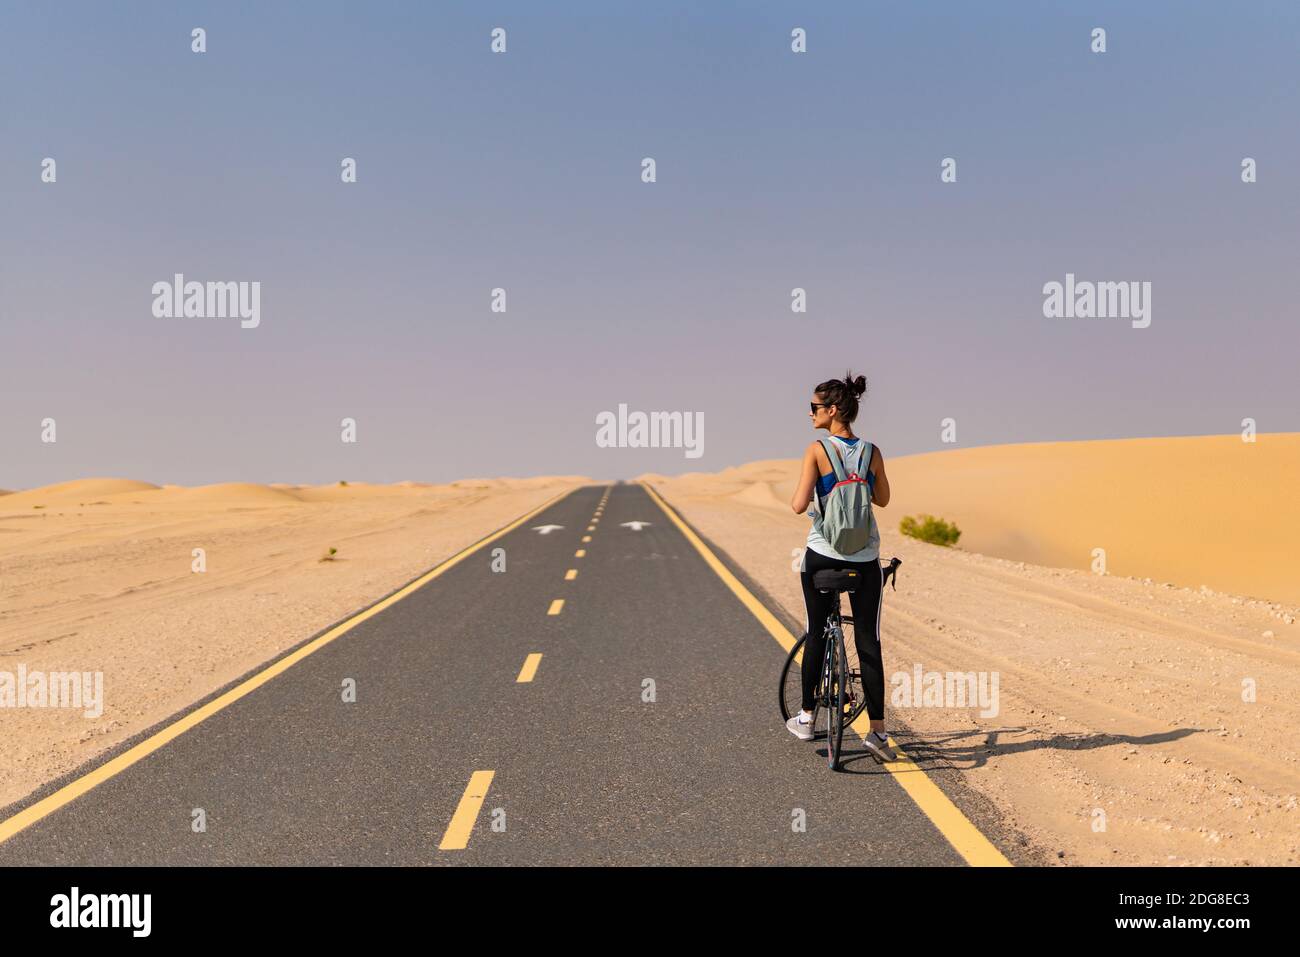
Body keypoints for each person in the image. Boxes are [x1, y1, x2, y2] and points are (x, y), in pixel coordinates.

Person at [785, 372, 896, 762]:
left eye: (814, 408)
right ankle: (878, 734)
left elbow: (799, 505)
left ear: (832, 411)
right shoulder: (872, 452)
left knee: (817, 632)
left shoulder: (817, 450)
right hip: (865, 560)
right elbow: (882, 499)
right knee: (869, 640)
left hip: (822, 554)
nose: (811, 413)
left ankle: (807, 717)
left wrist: (820, 497)